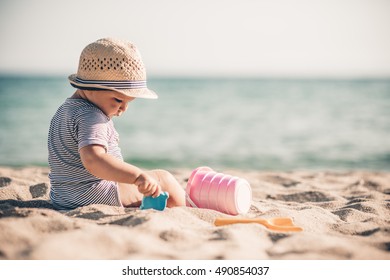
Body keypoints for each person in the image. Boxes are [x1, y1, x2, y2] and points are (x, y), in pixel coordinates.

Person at [48, 37, 186, 210]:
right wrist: (136, 177)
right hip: (92, 194)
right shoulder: (91, 116)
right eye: (119, 99)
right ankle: (186, 209)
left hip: (62, 195)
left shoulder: (65, 110)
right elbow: (93, 159)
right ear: (91, 87)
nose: (123, 108)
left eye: (129, 102)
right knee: (163, 178)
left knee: (148, 180)